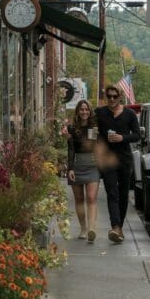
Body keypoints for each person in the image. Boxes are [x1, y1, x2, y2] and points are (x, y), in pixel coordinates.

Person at [95, 85, 140, 243]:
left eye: (114, 96)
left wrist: (122, 138)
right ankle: (115, 226)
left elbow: (137, 135)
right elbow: (93, 130)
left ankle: (119, 228)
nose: (111, 99)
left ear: (120, 97)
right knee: (112, 193)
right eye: (109, 96)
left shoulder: (129, 114)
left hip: (124, 159)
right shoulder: (100, 113)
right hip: (108, 160)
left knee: (123, 194)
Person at [66, 99, 100, 243]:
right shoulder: (72, 128)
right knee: (79, 199)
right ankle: (83, 228)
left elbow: (92, 146)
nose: (84, 112)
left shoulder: (94, 127)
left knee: (91, 198)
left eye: (86, 109)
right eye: (81, 109)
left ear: (90, 111)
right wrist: (70, 168)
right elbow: (71, 150)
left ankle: (92, 229)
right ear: (78, 112)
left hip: (92, 165)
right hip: (77, 165)